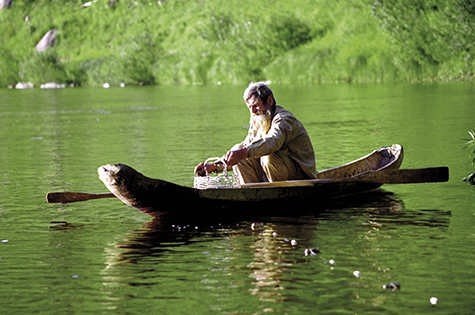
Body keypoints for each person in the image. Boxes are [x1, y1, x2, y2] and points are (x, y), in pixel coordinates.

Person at [194, 81, 316, 184]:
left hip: (301, 177)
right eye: (249, 107)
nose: (253, 111)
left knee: (268, 157)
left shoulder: (284, 119)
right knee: (239, 152)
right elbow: (246, 146)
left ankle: (277, 195)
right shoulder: (258, 120)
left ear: (269, 101)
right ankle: (250, 193)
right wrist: (216, 166)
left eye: (256, 105)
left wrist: (245, 152)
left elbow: (273, 142)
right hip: (274, 174)